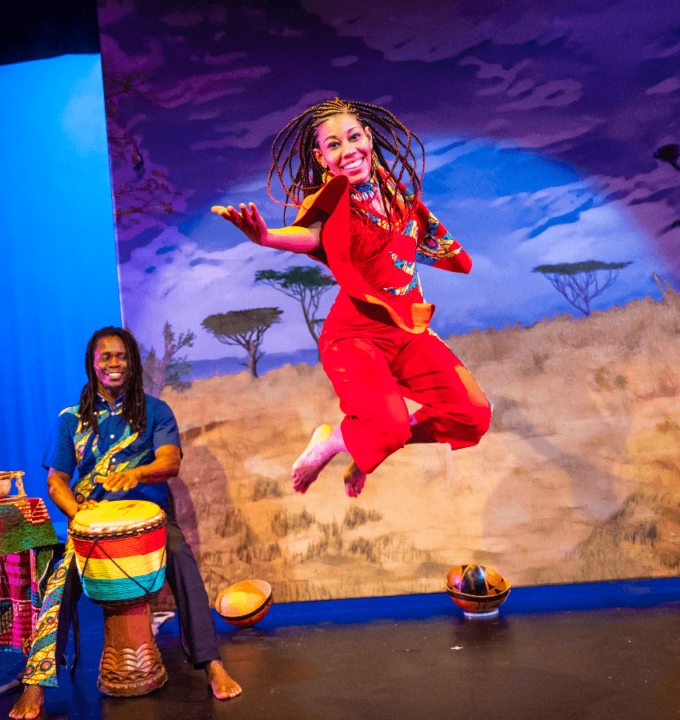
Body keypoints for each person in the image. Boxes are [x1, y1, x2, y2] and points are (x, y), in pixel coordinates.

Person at [212, 98, 492, 498]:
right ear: (321, 158)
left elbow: (422, 242)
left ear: (369, 138)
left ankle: (363, 448)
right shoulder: (335, 198)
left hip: (407, 330)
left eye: (353, 137)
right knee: (390, 425)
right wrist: (267, 237)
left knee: (472, 415)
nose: (347, 151)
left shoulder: (397, 195)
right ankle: (331, 443)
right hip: (354, 336)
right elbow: (310, 235)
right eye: (333, 145)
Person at [10, 327, 240, 720]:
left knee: (183, 559)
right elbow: (56, 482)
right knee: (58, 583)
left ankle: (211, 663)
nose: (114, 364)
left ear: (132, 362)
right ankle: (36, 684)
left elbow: (170, 462)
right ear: (93, 363)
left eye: (122, 356)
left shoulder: (155, 411)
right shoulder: (70, 419)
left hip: (151, 523)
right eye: (106, 357)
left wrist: (137, 474)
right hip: (90, 526)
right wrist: (78, 514)